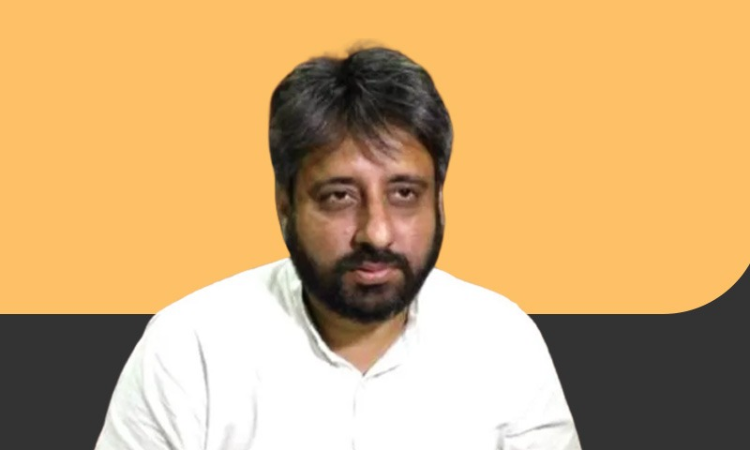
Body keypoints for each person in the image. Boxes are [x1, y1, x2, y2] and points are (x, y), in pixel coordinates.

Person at [95, 45, 582, 450]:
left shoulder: (504, 344)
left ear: (438, 198)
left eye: (404, 194)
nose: (377, 233)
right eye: (339, 197)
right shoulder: (190, 349)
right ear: (285, 204)